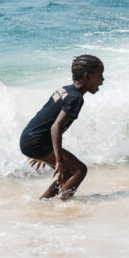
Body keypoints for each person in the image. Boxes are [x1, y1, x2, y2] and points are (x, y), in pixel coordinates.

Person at [19, 54, 104, 200]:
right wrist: (58, 160)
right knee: (80, 170)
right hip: (36, 141)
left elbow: (44, 116)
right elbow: (56, 127)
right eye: (100, 75)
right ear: (87, 76)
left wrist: (41, 152)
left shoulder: (65, 89)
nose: (102, 80)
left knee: (68, 173)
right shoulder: (76, 98)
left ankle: (44, 203)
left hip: (30, 137)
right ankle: (62, 205)